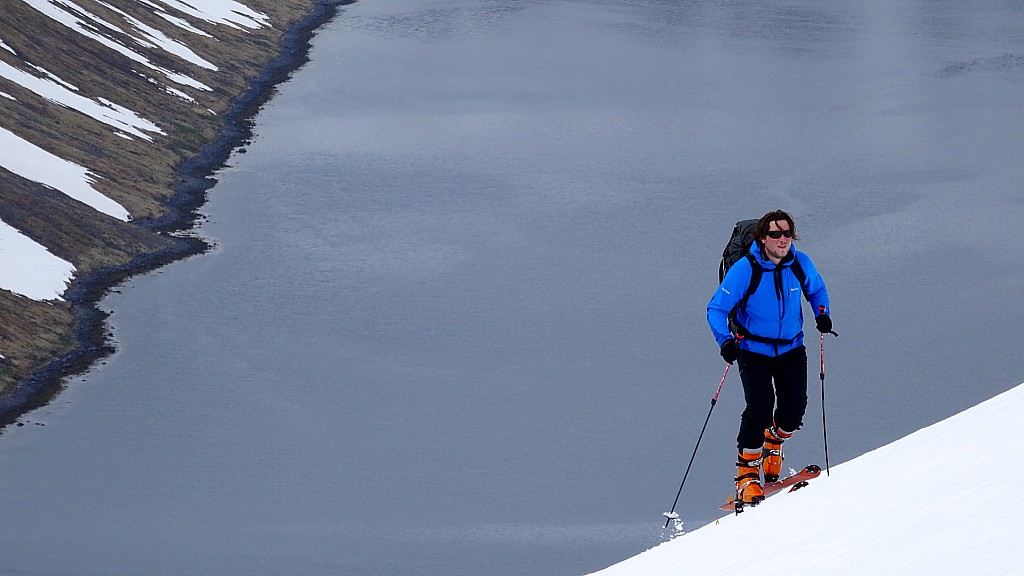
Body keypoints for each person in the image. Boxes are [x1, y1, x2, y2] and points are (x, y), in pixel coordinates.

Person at [706, 210, 832, 506]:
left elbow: (817, 289)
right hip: (753, 350)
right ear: (762, 238)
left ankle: (772, 442)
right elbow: (716, 308)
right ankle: (746, 475)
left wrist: (822, 314)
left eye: (787, 233)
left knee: (793, 411)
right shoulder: (745, 270)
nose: (783, 239)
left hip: (791, 347)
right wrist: (725, 341)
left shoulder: (800, 263)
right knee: (759, 409)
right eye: (775, 234)